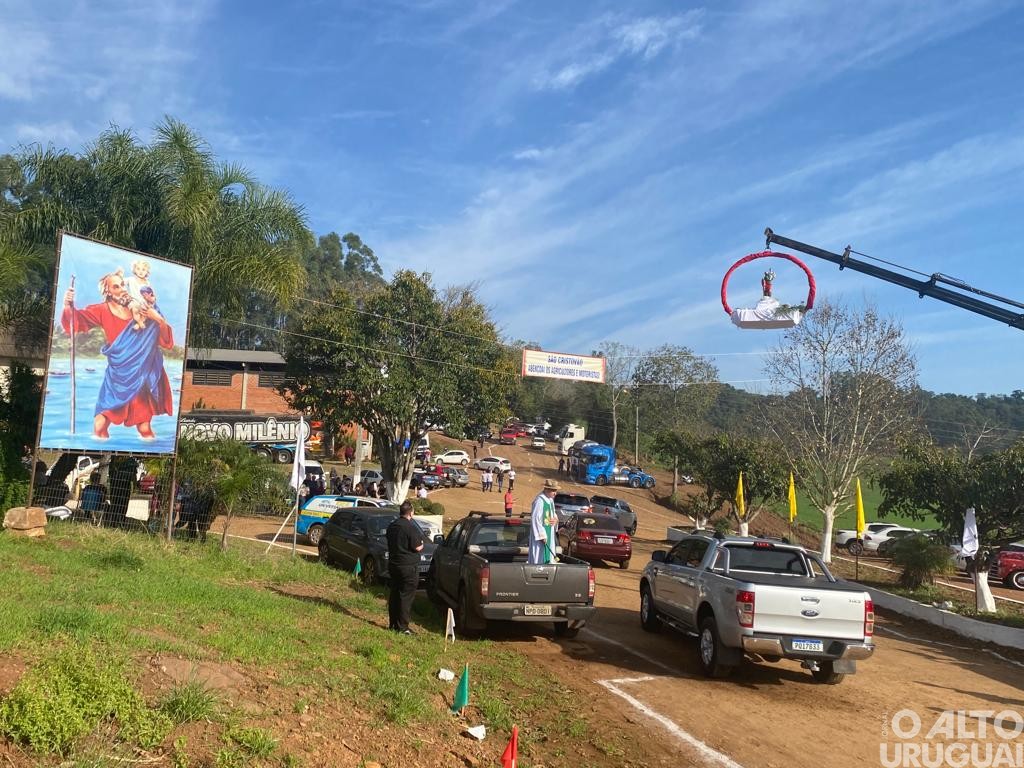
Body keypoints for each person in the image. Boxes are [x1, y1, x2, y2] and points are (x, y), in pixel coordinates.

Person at [61, 270, 174, 440]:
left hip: (140, 376)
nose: (122, 289)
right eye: (116, 286)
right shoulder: (102, 310)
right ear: (107, 291)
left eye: (122, 285)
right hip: (117, 377)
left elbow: (165, 341)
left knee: (144, 428)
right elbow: (76, 322)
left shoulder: (141, 307)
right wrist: (67, 305)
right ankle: (98, 451)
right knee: (99, 425)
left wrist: (159, 320)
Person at [385, 501, 424, 635]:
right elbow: (417, 547)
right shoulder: (410, 527)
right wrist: (422, 543)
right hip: (408, 567)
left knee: (395, 594)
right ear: (411, 513)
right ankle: (403, 627)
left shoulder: (392, 526)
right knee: (406, 597)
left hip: (394, 565)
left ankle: (393, 624)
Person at [528, 480, 560, 564]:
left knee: (549, 558)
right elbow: (535, 518)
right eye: (553, 491)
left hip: (549, 534)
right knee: (540, 557)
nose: (555, 493)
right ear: (547, 489)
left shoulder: (550, 500)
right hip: (541, 538)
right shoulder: (539, 501)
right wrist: (541, 535)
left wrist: (556, 520)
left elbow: (553, 514)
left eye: (556, 491)